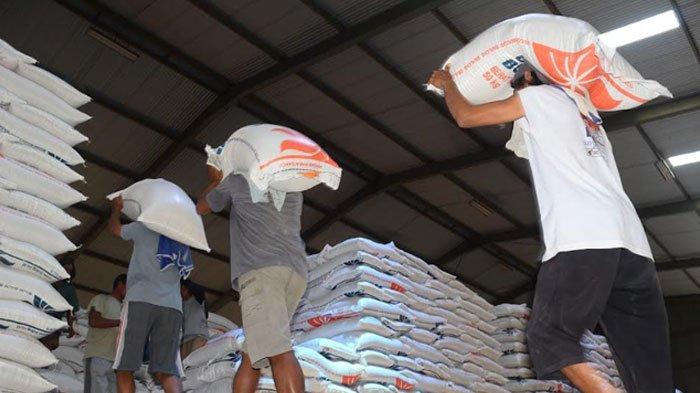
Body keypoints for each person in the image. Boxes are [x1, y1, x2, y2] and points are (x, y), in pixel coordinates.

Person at [427, 63, 673, 393]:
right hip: (633, 243)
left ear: (530, 78)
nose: (515, 91)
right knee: (647, 363)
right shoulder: (590, 117)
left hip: (584, 233)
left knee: (550, 335)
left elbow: (466, 117)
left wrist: (448, 84)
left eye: (516, 83)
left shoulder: (540, 97)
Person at [196, 166, 308, 393]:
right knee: (251, 355)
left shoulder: (238, 179)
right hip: (294, 271)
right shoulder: (293, 187)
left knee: (278, 350)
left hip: (261, 271)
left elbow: (201, 206)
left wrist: (217, 179)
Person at [109, 195, 191, 393]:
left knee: (124, 368)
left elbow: (115, 229)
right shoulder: (181, 237)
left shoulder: (144, 227)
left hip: (140, 301)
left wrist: (115, 209)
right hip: (172, 307)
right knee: (166, 370)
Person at [84, 274, 127, 393]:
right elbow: (93, 321)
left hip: (115, 362)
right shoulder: (101, 299)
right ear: (120, 285)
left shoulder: (125, 308)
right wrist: (119, 323)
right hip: (97, 356)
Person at [41, 261, 81, 351]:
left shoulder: (69, 289)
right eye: (64, 269)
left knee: (45, 349)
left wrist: (72, 329)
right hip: (35, 317)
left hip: (52, 324)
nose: (65, 272)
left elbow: (70, 311)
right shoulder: (45, 281)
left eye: (68, 271)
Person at [180, 279, 209, 359]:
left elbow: (199, 289)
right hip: (184, 341)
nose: (181, 292)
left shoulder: (197, 299)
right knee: (183, 367)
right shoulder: (180, 305)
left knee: (195, 362)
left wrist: (183, 279)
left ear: (188, 289)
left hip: (198, 336)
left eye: (183, 289)